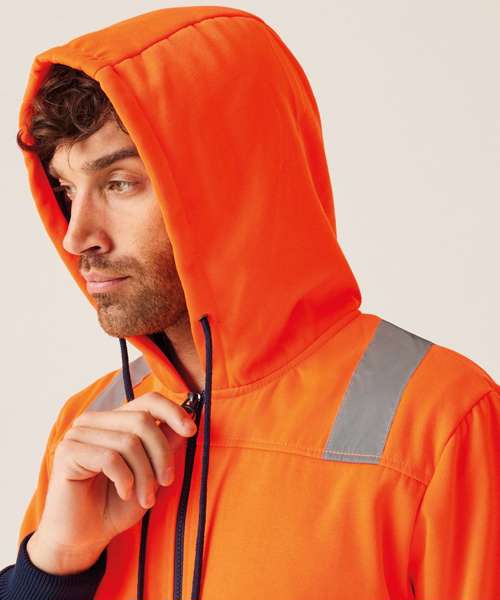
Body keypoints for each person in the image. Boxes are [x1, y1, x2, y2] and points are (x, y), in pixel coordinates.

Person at [1, 5, 498, 600]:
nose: (77, 235)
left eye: (120, 183)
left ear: (229, 184)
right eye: (66, 189)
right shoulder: (88, 429)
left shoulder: (442, 420)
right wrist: (53, 567)